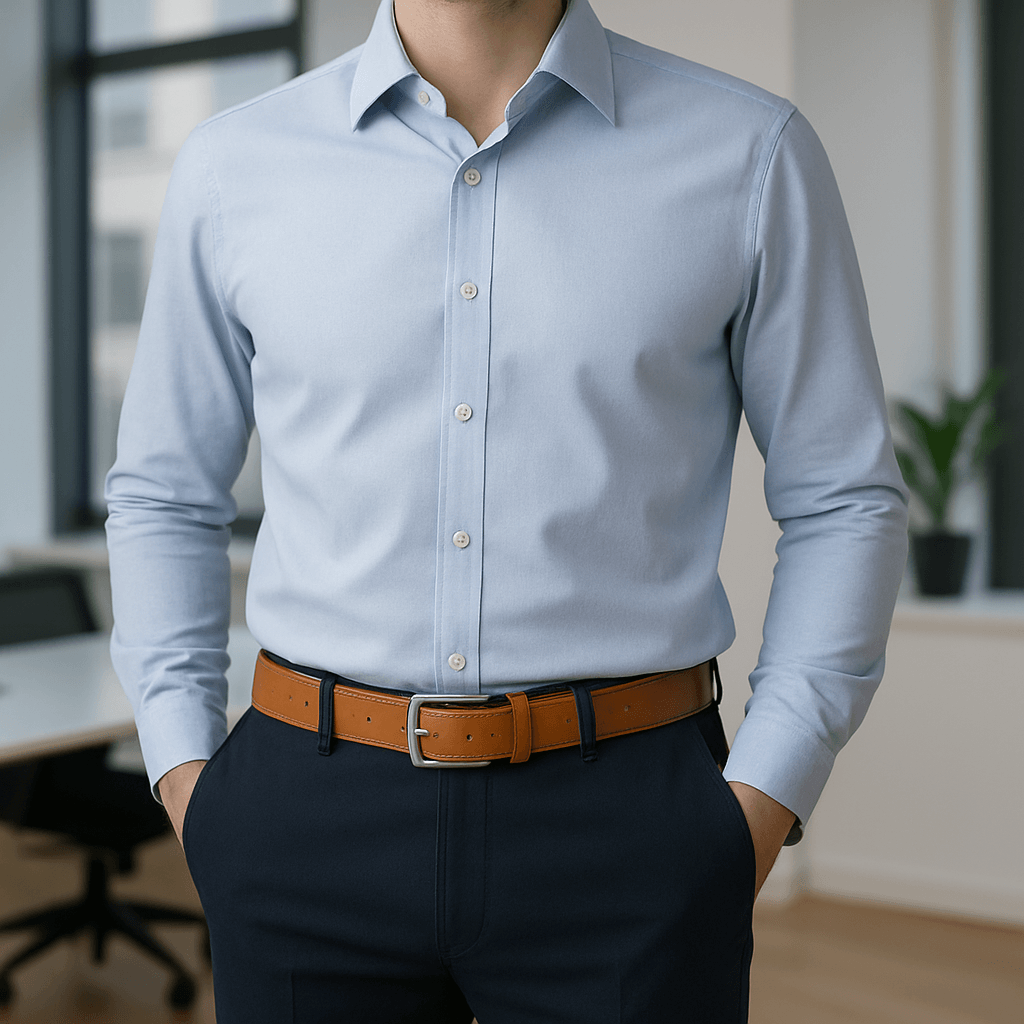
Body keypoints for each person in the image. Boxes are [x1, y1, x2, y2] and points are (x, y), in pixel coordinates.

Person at [105, 0, 909, 1020]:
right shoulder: (236, 167)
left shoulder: (750, 152)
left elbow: (842, 497)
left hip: (629, 824)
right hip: (299, 817)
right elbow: (164, 493)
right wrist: (187, 777)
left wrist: (760, 800)